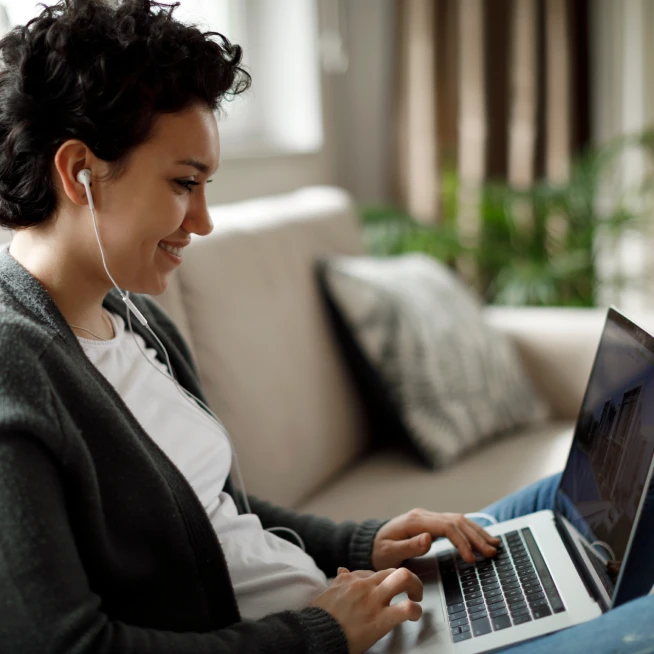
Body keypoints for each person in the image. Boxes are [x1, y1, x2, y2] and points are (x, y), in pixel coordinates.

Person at [0, 2, 652, 653]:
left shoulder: (133, 318)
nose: (202, 221)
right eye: (183, 183)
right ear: (78, 171)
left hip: (365, 610)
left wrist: (363, 544)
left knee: (620, 499)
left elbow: (220, 516)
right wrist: (322, 633)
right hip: (333, 643)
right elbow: (68, 645)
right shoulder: (16, 365)